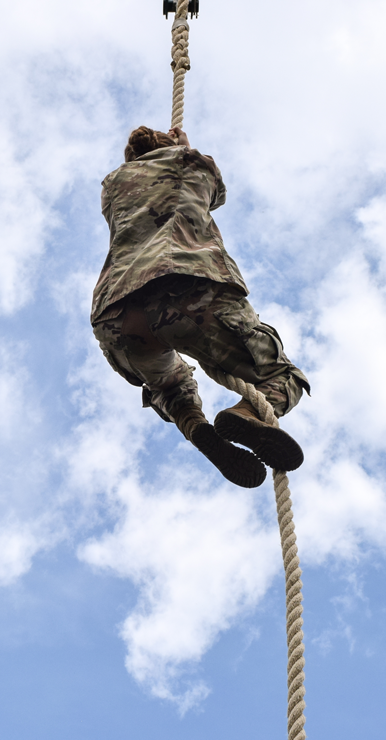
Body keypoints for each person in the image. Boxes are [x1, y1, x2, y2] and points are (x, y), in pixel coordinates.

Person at [92, 125, 310, 488]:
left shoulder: (113, 188)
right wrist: (185, 149)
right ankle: (244, 414)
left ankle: (195, 426)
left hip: (116, 316)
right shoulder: (186, 162)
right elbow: (213, 190)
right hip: (186, 290)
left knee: (170, 385)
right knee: (283, 377)